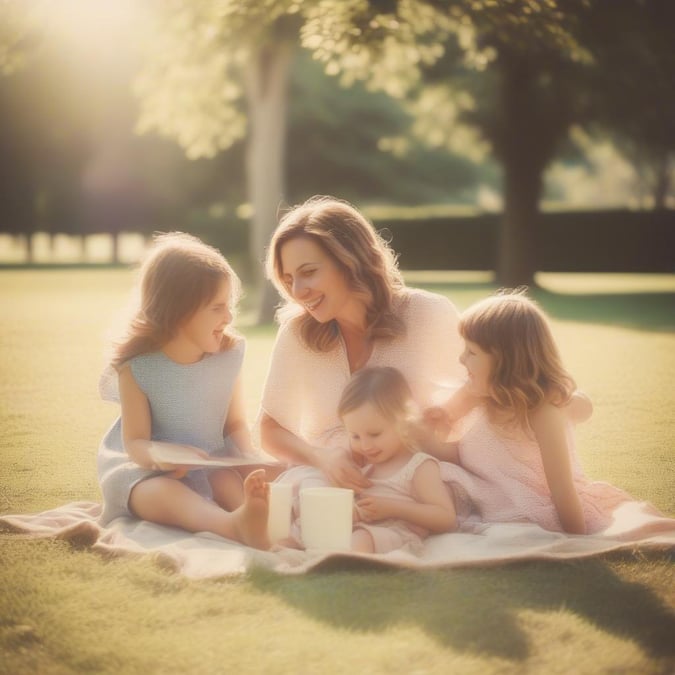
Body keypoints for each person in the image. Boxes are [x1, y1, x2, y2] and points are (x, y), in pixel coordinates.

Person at [258, 196, 465, 491]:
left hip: (418, 482)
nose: (297, 291)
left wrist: (432, 425)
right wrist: (322, 458)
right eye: (288, 278)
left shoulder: (427, 314)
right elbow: (270, 429)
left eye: (309, 272)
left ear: (349, 262)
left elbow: (476, 400)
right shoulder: (297, 334)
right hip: (328, 481)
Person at [97, 232, 270, 550]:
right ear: (179, 311)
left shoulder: (229, 355)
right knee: (164, 494)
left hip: (212, 463)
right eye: (218, 307)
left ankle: (266, 526)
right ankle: (231, 525)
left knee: (232, 483)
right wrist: (163, 456)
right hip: (150, 471)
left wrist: (248, 456)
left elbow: (234, 424)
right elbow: (135, 442)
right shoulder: (137, 367)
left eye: (229, 306)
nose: (229, 317)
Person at [433, 290, 637, 535]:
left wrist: (577, 539)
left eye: (472, 352)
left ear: (504, 362)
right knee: (430, 472)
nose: (461, 358)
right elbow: (444, 420)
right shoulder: (480, 393)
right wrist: (434, 419)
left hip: (528, 505)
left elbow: (561, 486)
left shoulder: (542, 413)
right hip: (488, 492)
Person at [339, 367, 457, 554]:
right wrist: (355, 510)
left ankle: (347, 566)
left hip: (398, 535)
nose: (365, 445)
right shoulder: (367, 466)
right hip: (364, 530)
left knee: (361, 538)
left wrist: (393, 508)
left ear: (403, 421)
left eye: (375, 434)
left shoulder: (419, 466)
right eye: (355, 436)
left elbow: (446, 518)